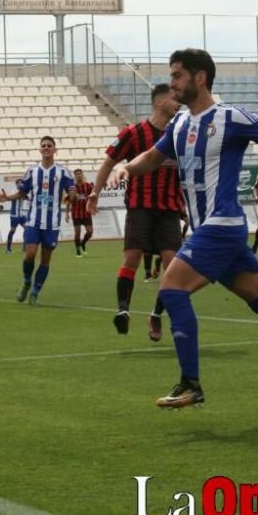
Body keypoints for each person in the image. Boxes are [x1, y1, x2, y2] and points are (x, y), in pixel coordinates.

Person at [111, 48, 258, 409]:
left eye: (177, 75)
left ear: (199, 78)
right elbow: (152, 157)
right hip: (209, 229)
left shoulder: (231, 117)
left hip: (222, 224)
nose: (172, 83)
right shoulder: (179, 124)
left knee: (171, 287)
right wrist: (126, 169)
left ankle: (191, 383)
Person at [88, 83, 184, 343]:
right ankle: (123, 309)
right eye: (175, 99)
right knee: (131, 257)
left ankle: (156, 313)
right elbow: (109, 160)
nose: (179, 104)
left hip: (169, 209)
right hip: (140, 206)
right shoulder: (134, 132)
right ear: (159, 101)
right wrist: (95, 192)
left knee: (172, 265)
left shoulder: (181, 135)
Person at [0, 136, 75, 306]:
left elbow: (71, 193)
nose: (46, 148)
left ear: (55, 150)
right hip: (33, 221)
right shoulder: (32, 172)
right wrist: (7, 197)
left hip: (52, 224)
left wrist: (73, 194)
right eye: (44, 146)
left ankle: (35, 292)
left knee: (45, 260)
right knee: (30, 254)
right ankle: (26, 281)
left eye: (49, 146)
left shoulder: (63, 172)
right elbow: (22, 192)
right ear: (40, 150)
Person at [67, 168, 94, 257]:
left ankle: (83, 243)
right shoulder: (72, 187)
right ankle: (78, 251)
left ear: (82, 175)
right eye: (77, 174)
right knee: (77, 233)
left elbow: (92, 197)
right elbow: (68, 201)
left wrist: (93, 206)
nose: (79, 175)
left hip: (86, 212)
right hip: (76, 213)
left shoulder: (88, 186)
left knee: (90, 232)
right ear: (74, 176)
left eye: (80, 174)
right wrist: (66, 214)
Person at [5, 178, 29, 253]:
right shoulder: (15, 192)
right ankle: (8, 249)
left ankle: (25, 248)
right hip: (14, 215)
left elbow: (27, 198)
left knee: (28, 229)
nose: (20, 184)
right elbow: (11, 197)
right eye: (19, 183)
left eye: (21, 183)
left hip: (21, 214)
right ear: (16, 184)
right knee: (12, 231)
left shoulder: (23, 192)